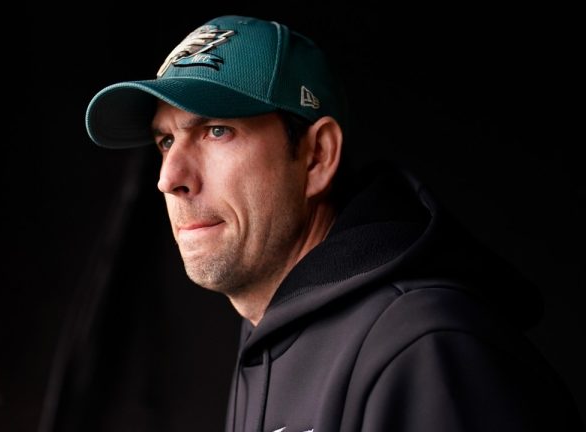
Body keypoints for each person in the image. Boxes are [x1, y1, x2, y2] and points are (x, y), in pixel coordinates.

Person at [85, 15, 583, 432]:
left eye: (217, 130)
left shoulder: (426, 347)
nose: (170, 178)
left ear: (317, 156)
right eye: (166, 141)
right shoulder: (265, 333)